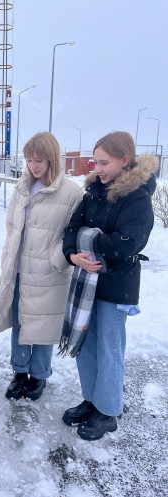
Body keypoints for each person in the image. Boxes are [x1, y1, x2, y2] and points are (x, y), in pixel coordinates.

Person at [61, 131, 157, 441]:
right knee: (85, 347)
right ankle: (91, 400)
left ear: (124, 161)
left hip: (116, 286)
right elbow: (72, 229)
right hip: (86, 283)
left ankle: (108, 411)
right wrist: (73, 254)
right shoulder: (93, 193)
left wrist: (90, 239)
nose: (97, 169)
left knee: (109, 349)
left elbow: (127, 244)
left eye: (104, 163)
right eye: (95, 162)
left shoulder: (137, 197)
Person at [0, 132, 83, 401]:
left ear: (52, 160)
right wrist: (8, 260)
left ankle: (39, 376)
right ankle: (20, 372)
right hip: (20, 268)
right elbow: (11, 227)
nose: (33, 166)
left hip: (49, 272)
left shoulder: (71, 193)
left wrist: (55, 259)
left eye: (39, 160)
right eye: (29, 160)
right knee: (21, 322)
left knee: (44, 326)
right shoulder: (22, 187)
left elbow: (73, 233)